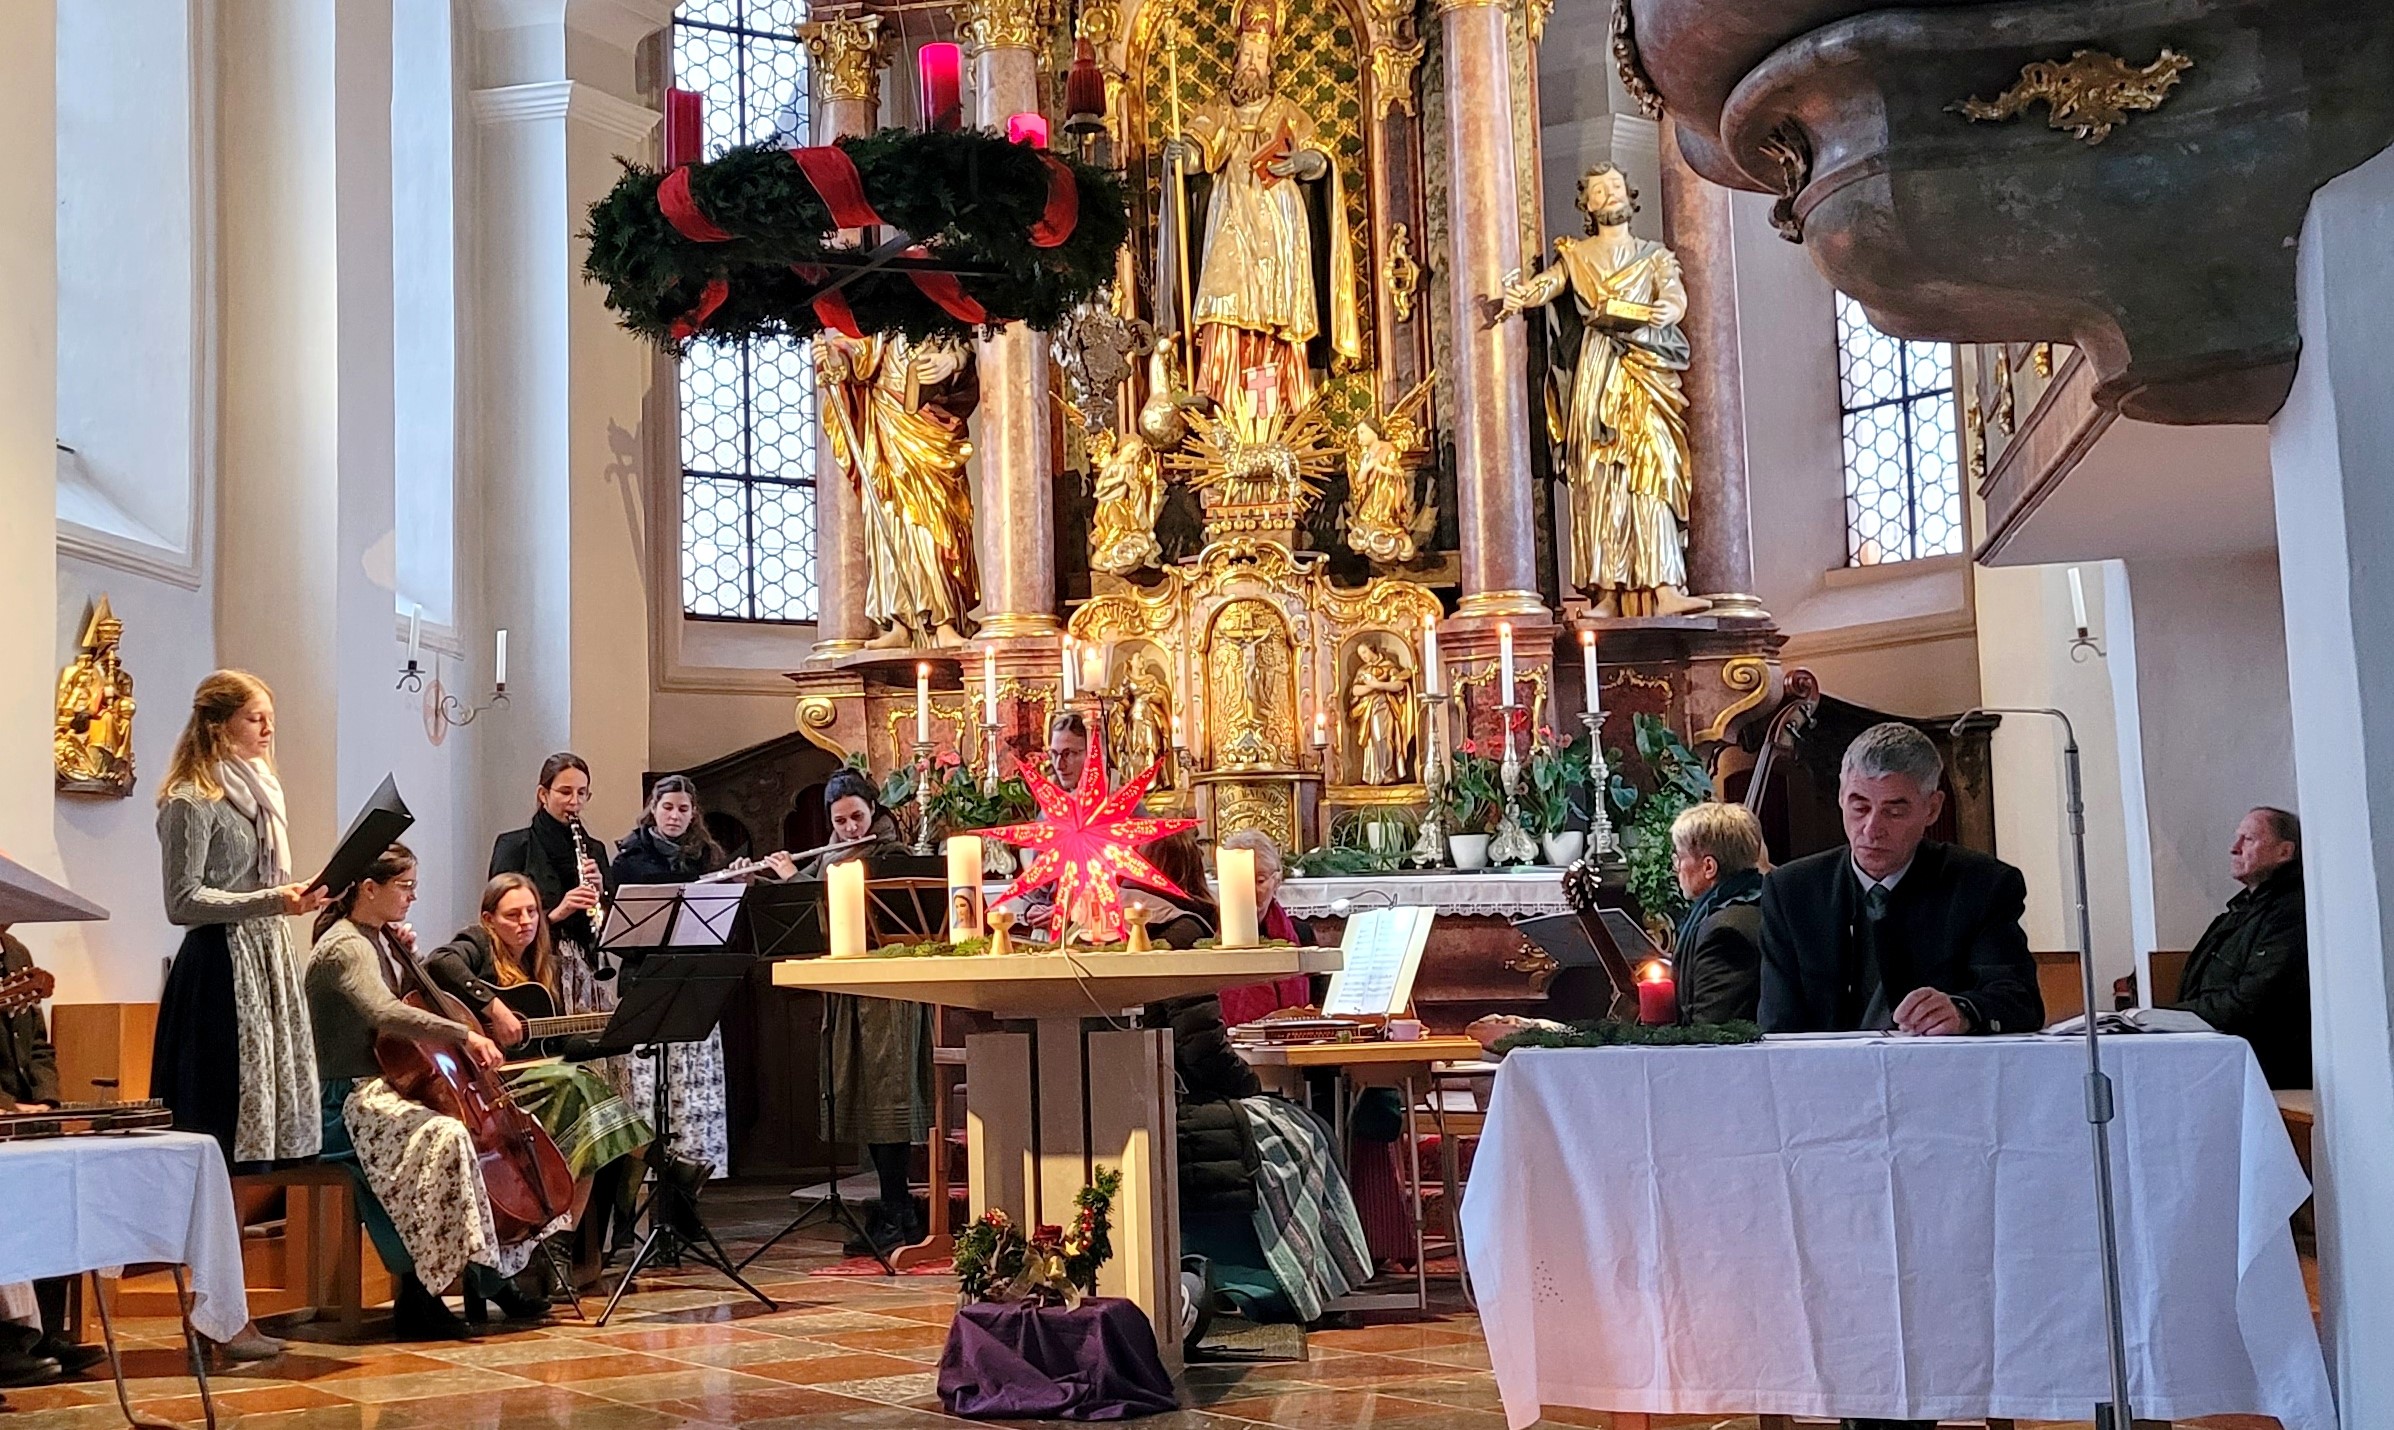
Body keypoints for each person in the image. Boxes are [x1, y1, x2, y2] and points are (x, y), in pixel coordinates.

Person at [307, 845, 559, 1339]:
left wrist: (408, 958)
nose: (413, 896)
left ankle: (488, 1276)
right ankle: (420, 1294)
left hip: (383, 1091)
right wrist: (464, 1033)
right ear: (368, 888)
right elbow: (384, 1012)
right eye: (405, 887)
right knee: (446, 1136)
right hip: (347, 1101)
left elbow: (412, 997)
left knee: (460, 1130)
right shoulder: (346, 946)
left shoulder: (374, 939)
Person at [420, 874, 654, 1285]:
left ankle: (557, 1247)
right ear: (490, 919)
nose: (526, 922)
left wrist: (619, 1037)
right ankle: (657, 1170)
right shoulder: (477, 944)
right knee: (582, 1091)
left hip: (532, 1077)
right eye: (513, 915)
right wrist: (493, 1008)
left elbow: (559, 1045)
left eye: (532, 912)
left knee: (592, 1118)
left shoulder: (539, 967)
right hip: (485, 1085)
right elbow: (439, 962)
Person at [1760, 723, 2042, 1041]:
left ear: (1932, 809)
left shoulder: (1982, 885)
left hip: (1942, 1074)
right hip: (1825, 1079)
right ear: (1840, 798)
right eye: (1859, 807)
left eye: (1894, 812)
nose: (1871, 829)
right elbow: (1777, 1025)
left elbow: (2020, 1000)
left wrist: (1964, 1011)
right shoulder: (1791, 891)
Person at [150, 671, 326, 1170]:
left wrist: (301, 897)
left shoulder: (262, 795)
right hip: (220, 967)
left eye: (271, 719)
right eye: (256, 718)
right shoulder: (190, 799)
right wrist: (272, 900)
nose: (268, 730)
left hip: (266, 957)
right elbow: (181, 901)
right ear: (218, 725)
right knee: (220, 1118)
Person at [799, 771, 932, 1255]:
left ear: (874, 810)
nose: (852, 828)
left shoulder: (889, 854)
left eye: (858, 817)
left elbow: (875, 911)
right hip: (849, 991)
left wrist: (806, 880)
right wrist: (786, 880)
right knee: (862, 1100)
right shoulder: (831, 856)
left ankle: (899, 1211)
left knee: (887, 1099)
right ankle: (895, 1210)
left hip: (888, 993)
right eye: (841, 822)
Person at [0, 931, 104, 1382]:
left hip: (26, 1114)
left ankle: (46, 1332)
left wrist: (46, 1099)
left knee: (58, 1197)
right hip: (4, 1112)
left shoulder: (17, 951)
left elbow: (39, 1044)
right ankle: (7, 1339)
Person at [2166, 807, 2309, 1088]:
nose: (2234, 848)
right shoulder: (2241, 910)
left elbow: (2254, 1001)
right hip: (2221, 1051)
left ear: (2284, 852)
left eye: (2249, 840)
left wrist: (2173, 1017)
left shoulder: (2289, 912)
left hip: (2267, 1063)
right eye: (2237, 838)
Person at [489, 754, 614, 1026]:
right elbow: (497, 919)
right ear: (543, 794)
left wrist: (602, 894)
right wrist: (559, 911)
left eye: (582, 793)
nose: (575, 802)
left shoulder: (594, 849)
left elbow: (609, 925)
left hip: (585, 969)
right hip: (533, 968)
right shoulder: (515, 846)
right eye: (565, 792)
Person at [1667, 802, 1767, 1025]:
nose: (1677, 868)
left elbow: (1712, 1031)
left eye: (1680, 858)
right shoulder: (1762, 902)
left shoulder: (1725, 933)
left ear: (1709, 867)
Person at [1211, 830, 1314, 1027]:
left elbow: (1318, 1005)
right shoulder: (1208, 935)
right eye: (1239, 881)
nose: (1249, 889)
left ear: (1276, 881)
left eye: (1259, 880)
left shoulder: (1301, 934)